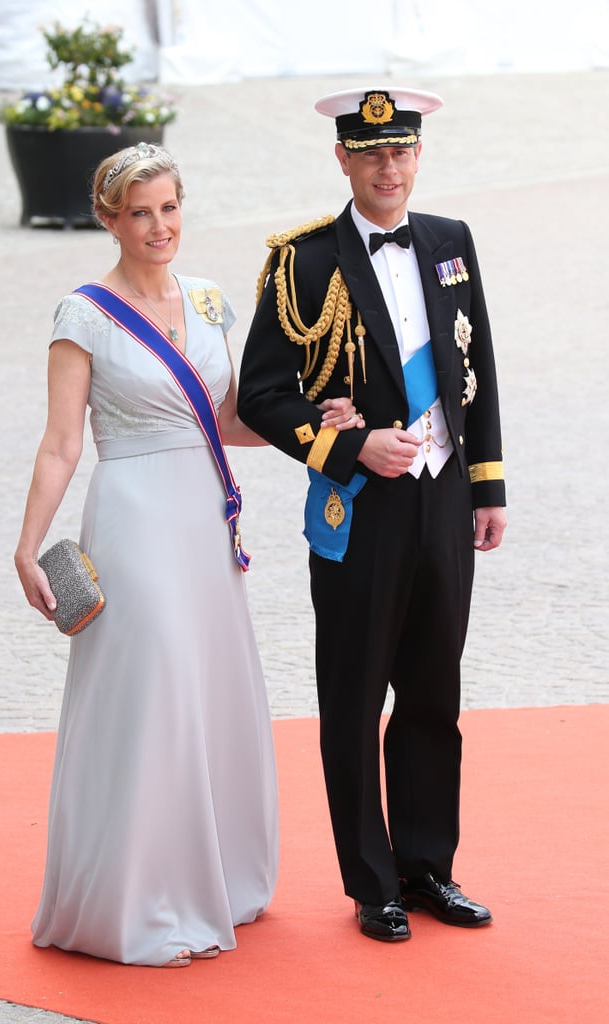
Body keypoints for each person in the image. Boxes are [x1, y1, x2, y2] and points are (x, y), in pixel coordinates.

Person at [14, 141, 364, 968]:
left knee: (207, 689)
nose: (158, 226)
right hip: (133, 518)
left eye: (169, 208)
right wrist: (27, 546)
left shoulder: (208, 301)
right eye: (139, 212)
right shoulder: (84, 315)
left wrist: (318, 423)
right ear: (108, 220)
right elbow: (62, 444)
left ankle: (216, 877)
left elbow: (231, 420)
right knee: (154, 691)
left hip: (206, 520)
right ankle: (136, 899)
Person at [237, 88, 506, 943]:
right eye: (372, 154)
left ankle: (429, 867)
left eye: (401, 153)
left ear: (416, 157)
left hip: (440, 497)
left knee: (433, 692)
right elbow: (266, 395)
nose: (388, 168)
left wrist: (486, 487)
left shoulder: (449, 242)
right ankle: (372, 882)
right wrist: (348, 449)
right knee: (353, 697)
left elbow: (479, 368)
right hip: (359, 507)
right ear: (344, 159)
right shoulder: (302, 262)